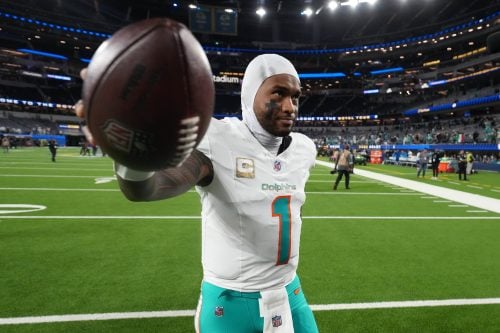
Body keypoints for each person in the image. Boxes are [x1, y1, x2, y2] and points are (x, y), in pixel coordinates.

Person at [76, 54, 319, 333]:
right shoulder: (219, 140)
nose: (290, 107)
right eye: (278, 93)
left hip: (289, 293)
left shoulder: (304, 149)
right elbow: (148, 188)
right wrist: (130, 158)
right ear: (251, 93)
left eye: (296, 97)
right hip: (230, 303)